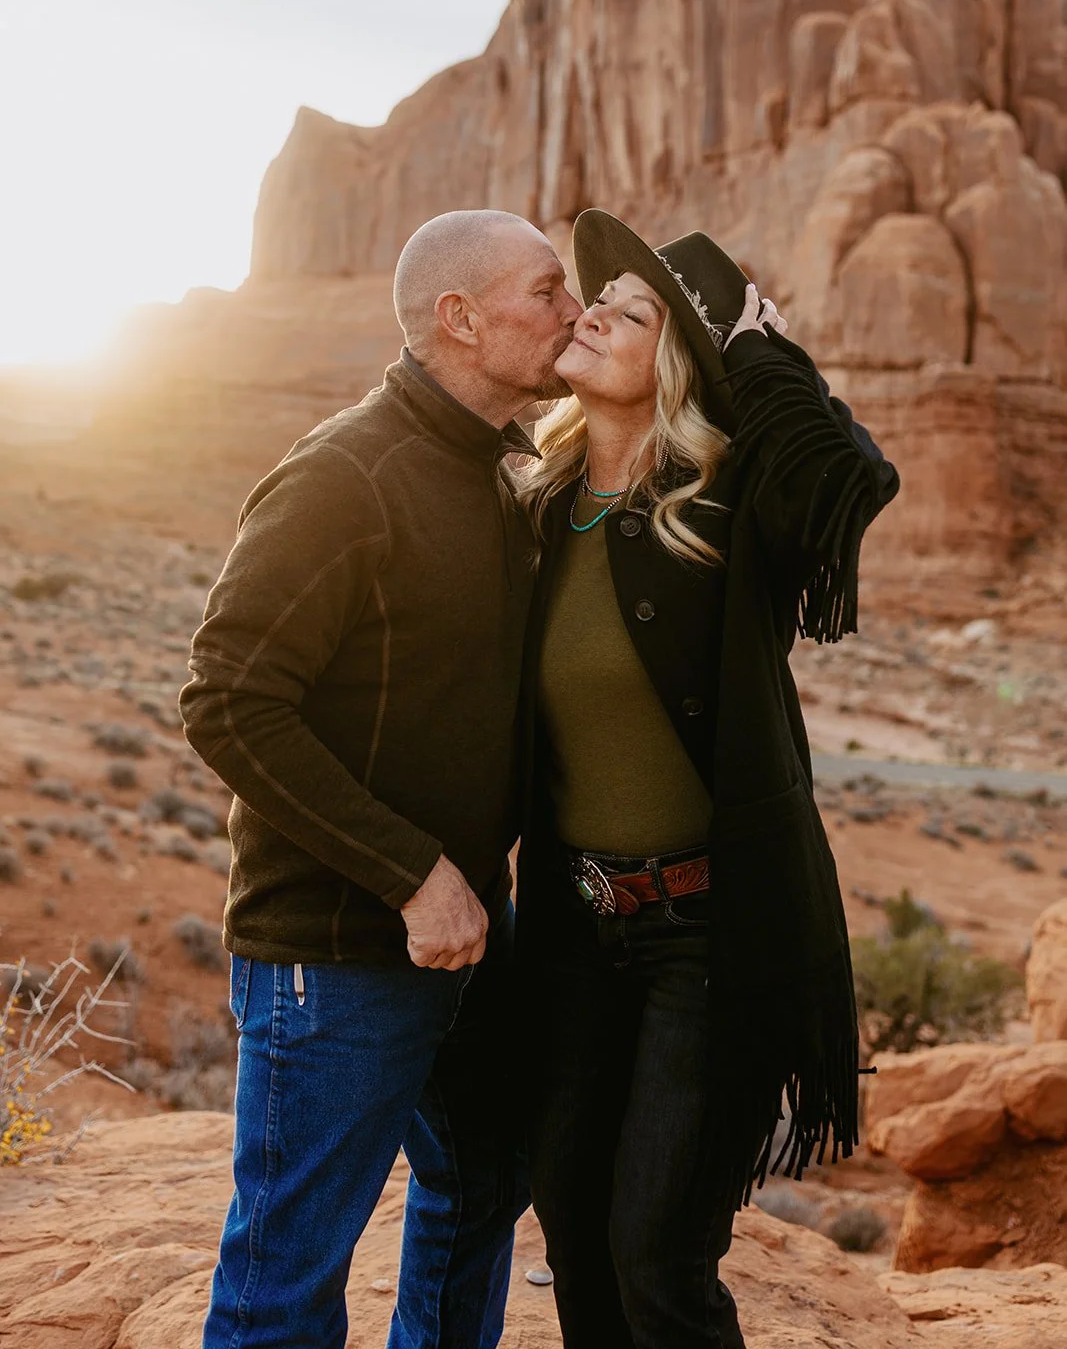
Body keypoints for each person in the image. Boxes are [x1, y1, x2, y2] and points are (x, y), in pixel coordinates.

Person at [179, 208, 581, 1349]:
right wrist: (414, 876)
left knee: (478, 1187)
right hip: (335, 952)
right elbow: (226, 699)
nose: (572, 310)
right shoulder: (344, 477)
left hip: (465, 938)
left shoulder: (498, 470)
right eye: (546, 290)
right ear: (460, 317)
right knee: (285, 1279)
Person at [513, 208, 900, 1349]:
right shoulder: (536, 508)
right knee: (574, 1229)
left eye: (630, 312)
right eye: (594, 299)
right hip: (574, 931)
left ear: (677, 364)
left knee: (657, 1257)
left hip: (706, 938)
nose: (591, 311)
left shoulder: (725, 512)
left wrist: (758, 346)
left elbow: (849, 481)